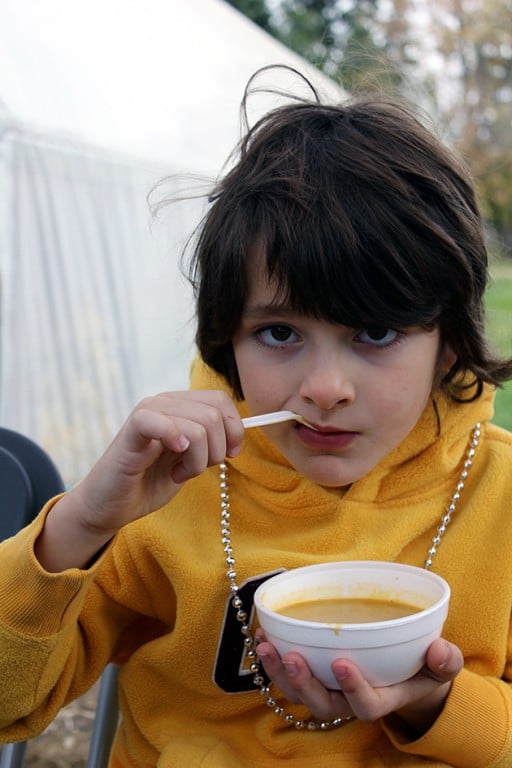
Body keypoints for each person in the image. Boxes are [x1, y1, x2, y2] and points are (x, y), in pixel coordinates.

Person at [1, 65, 512, 768]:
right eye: (279, 334)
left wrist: (435, 704)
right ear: (226, 340)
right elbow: (9, 706)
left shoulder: (499, 495)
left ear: (448, 339)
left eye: (376, 333)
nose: (325, 388)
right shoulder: (166, 490)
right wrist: (83, 522)